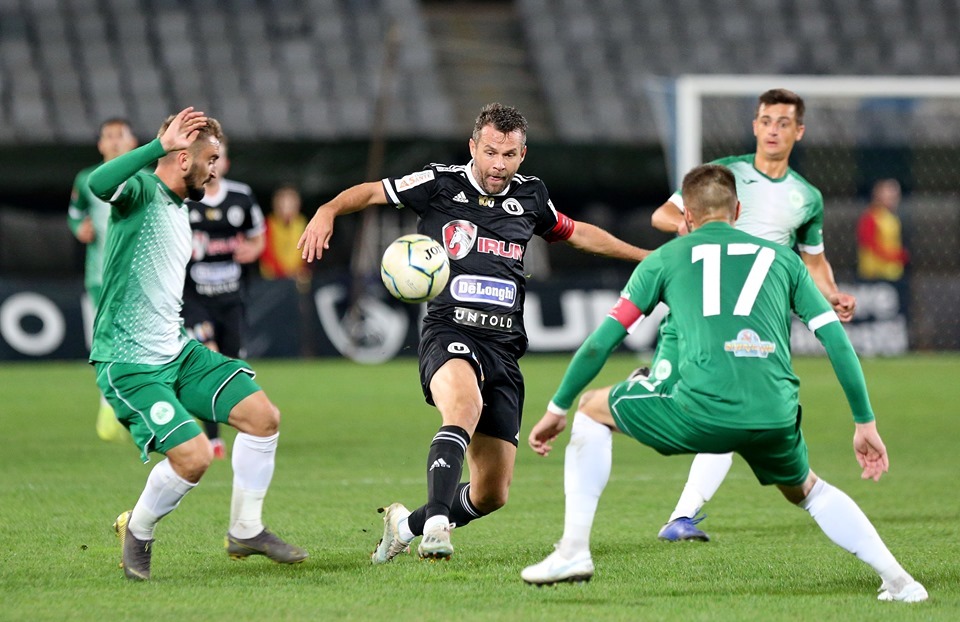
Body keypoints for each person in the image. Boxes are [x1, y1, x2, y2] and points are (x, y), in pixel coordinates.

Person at [521, 164, 927, 603]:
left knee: (590, 408)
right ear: (737, 211)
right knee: (809, 491)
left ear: (687, 217)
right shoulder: (784, 259)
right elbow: (837, 342)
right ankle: (902, 582)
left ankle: (573, 551)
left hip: (701, 411)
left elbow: (601, 343)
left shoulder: (665, 259)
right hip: (774, 413)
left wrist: (557, 408)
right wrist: (864, 422)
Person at [298, 103, 650, 562]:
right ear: (473, 147)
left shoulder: (532, 196)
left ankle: (404, 526)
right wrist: (327, 210)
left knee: (491, 493)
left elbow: (577, 232)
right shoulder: (438, 183)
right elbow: (370, 193)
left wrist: (648, 258)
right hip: (450, 330)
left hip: (504, 347)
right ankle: (437, 529)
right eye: (490, 152)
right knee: (465, 406)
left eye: (509, 154)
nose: (499, 164)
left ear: (523, 154)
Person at [87, 107, 306, 581]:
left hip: (177, 351)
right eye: (210, 160)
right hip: (129, 362)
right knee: (195, 456)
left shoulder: (181, 208)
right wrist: (155, 147)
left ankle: (246, 529)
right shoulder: (141, 191)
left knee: (263, 417)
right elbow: (98, 184)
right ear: (183, 158)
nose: (214, 171)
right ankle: (138, 530)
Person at [646, 88, 857, 542]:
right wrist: (688, 226)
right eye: (766, 120)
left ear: (799, 131)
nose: (773, 130)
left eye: (783, 122)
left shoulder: (806, 197)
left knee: (729, 409)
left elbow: (814, 261)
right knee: (730, 407)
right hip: (710, 302)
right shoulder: (725, 176)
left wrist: (832, 294)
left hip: (760, 315)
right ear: (755, 126)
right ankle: (659, 388)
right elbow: (662, 215)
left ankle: (680, 512)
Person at [183, 137, 266, 459]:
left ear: (225, 163)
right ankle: (213, 438)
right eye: (207, 158)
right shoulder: (184, 199)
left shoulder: (241, 197)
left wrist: (252, 250)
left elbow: (258, 238)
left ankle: (247, 428)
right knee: (208, 358)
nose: (213, 165)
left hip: (232, 298)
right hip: (195, 298)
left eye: (217, 158)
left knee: (232, 365)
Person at [67, 117, 138, 442]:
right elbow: (74, 213)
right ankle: (109, 403)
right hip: (101, 276)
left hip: (140, 275)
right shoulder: (87, 179)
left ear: (132, 142)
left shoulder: (145, 177)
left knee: (141, 340)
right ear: (100, 144)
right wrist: (78, 228)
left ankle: (140, 401)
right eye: (108, 136)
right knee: (109, 340)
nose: (114, 141)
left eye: (119, 135)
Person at [857, 178, 909, 282]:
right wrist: (894, 256)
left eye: (896, 195)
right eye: (890, 195)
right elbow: (869, 243)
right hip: (874, 275)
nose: (894, 199)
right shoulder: (871, 217)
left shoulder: (891, 217)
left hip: (892, 273)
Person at [260, 184, 309, 282]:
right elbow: (267, 253)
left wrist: (301, 269)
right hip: (273, 278)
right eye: (282, 205)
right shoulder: (268, 224)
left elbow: (307, 251)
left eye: (291, 205)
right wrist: (286, 272)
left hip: (298, 277)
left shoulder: (302, 223)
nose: (286, 210)